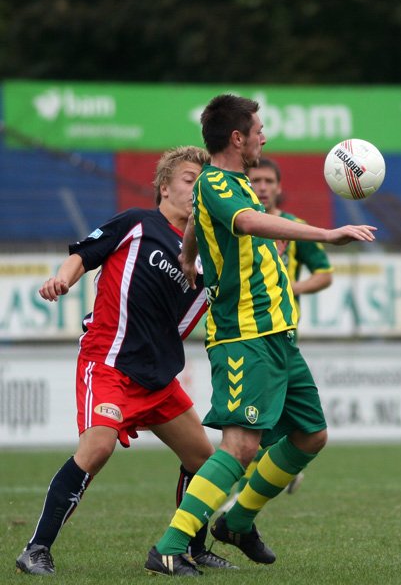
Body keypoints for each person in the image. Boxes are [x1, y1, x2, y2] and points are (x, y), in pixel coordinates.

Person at [144, 94, 377, 577]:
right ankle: (168, 546)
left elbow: (206, 224)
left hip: (278, 335)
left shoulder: (232, 185)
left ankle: (238, 522)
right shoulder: (215, 182)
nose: (264, 136)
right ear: (238, 137)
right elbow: (245, 223)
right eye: (259, 129)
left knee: (311, 435)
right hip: (245, 334)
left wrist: (188, 255)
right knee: (240, 446)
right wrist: (327, 233)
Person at [15, 146, 236, 576]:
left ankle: (191, 546)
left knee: (203, 460)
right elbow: (84, 252)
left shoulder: (206, 255)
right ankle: (36, 548)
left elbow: (195, 317)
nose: (197, 189)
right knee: (97, 448)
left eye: (202, 183)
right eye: (190, 180)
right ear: (165, 186)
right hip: (110, 361)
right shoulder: (139, 222)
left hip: (156, 376)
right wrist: (63, 277)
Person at [224, 157, 334, 499]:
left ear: (278, 187)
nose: (262, 186)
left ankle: (244, 498)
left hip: (282, 334)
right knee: (259, 426)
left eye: (269, 180)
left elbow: (324, 273)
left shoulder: (295, 227)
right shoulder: (235, 224)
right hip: (246, 333)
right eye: (255, 179)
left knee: (258, 424)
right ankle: (277, 471)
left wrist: (291, 287)